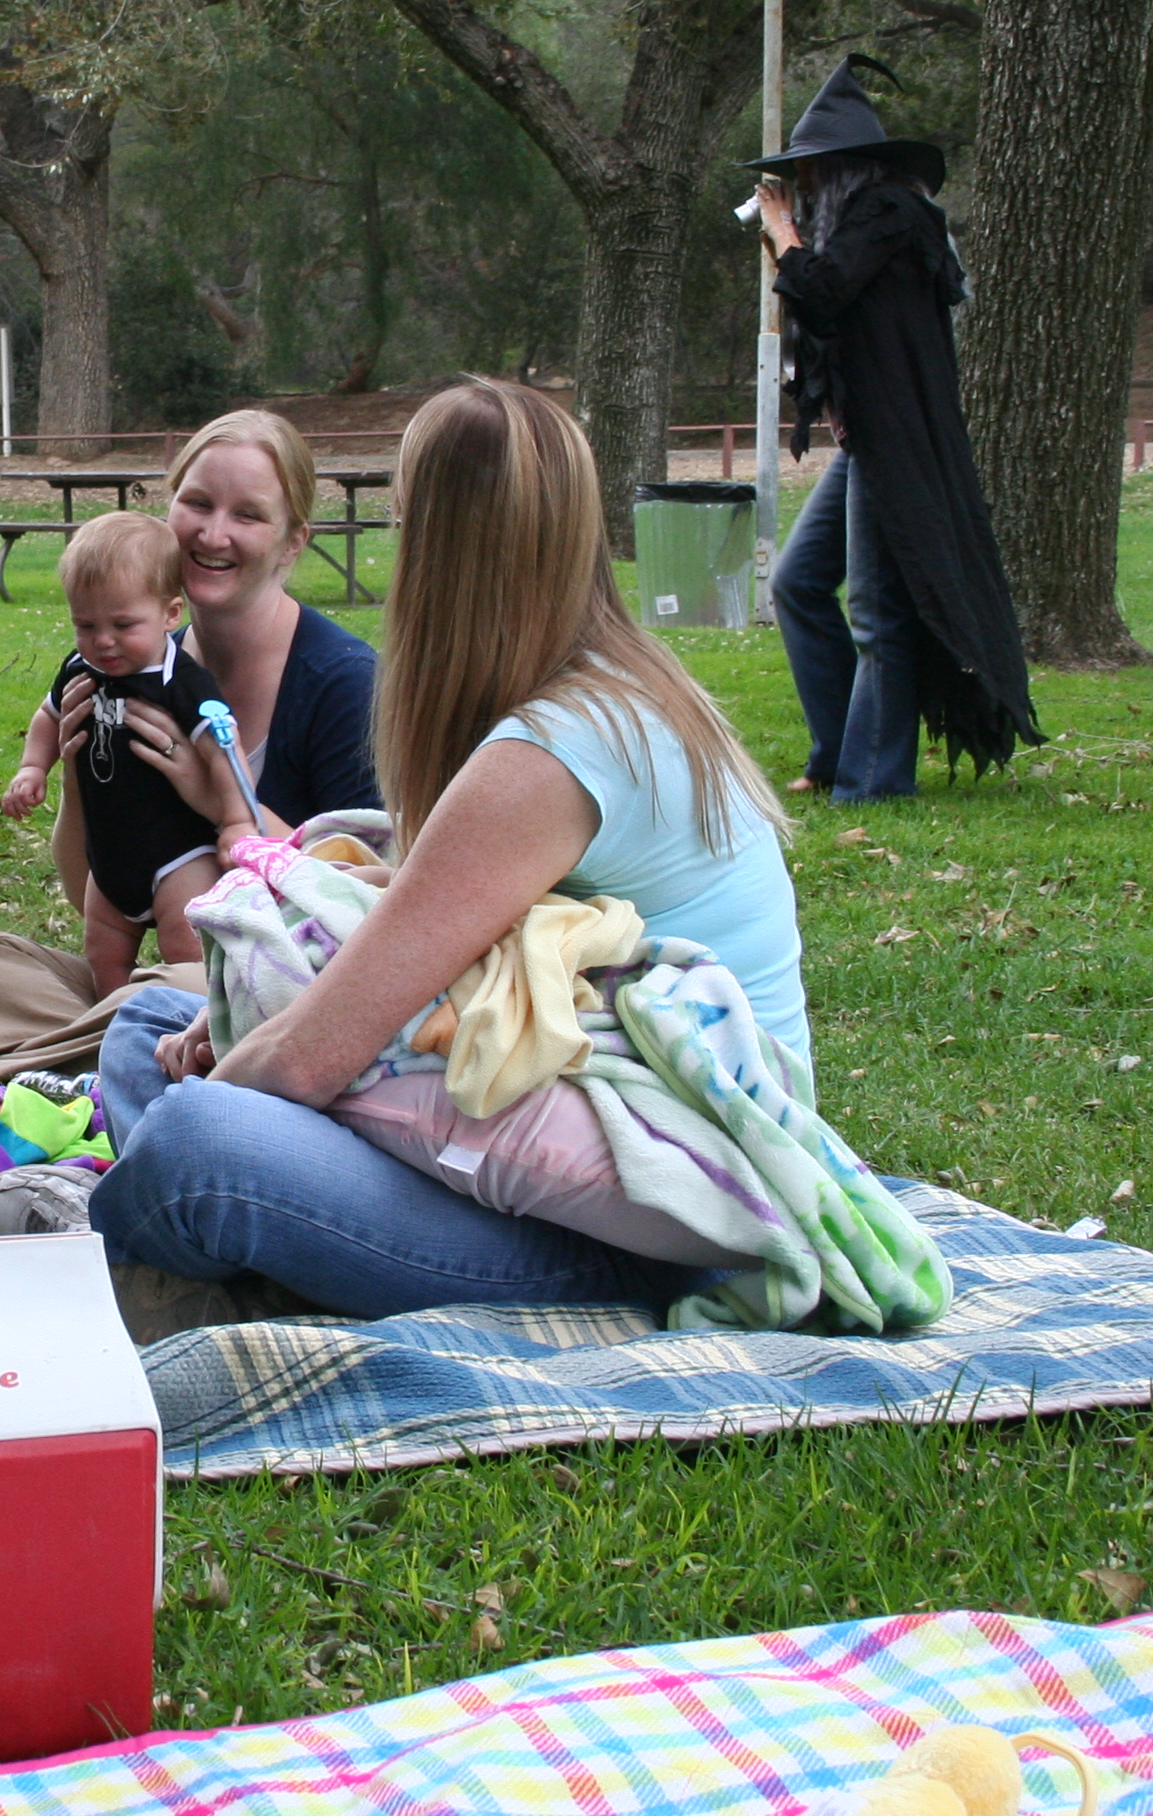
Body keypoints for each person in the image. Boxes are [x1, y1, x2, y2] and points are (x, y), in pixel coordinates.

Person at [85, 377, 807, 1326]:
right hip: (566, 1117)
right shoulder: (612, 689)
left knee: (197, 1137)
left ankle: (195, 1266)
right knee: (148, 1027)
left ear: (437, 546)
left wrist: (243, 1069)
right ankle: (273, 1264)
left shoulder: (550, 755)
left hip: (655, 1221)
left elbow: (312, 1057)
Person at [0, 407, 381, 1073]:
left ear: (294, 541)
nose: (213, 533)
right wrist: (73, 769)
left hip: (277, 983)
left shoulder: (344, 683)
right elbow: (89, 890)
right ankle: (124, 1050)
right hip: (157, 988)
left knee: (177, 987)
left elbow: (363, 905)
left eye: (248, 515)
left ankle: (43, 1063)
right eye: (198, 503)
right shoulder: (119, 658)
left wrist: (214, 802)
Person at [754, 58, 1042, 802]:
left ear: (842, 168)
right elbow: (828, 304)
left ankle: (873, 783)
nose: (802, 186)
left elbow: (824, 291)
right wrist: (788, 242)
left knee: (878, 614)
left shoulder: (888, 213)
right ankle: (836, 755)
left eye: (810, 171)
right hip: (869, 439)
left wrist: (783, 233)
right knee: (797, 583)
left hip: (898, 440)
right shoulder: (865, 223)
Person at [1, 513, 257, 996]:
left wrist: (237, 819)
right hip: (112, 851)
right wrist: (33, 767)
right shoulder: (81, 668)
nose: (103, 641)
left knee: (186, 944)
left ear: (170, 614)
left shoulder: (181, 682)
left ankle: (196, 1013)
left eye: (123, 624)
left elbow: (224, 748)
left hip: (181, 853)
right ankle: (111, 1017)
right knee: (103, 949)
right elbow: (48, 716)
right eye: (85, 625)